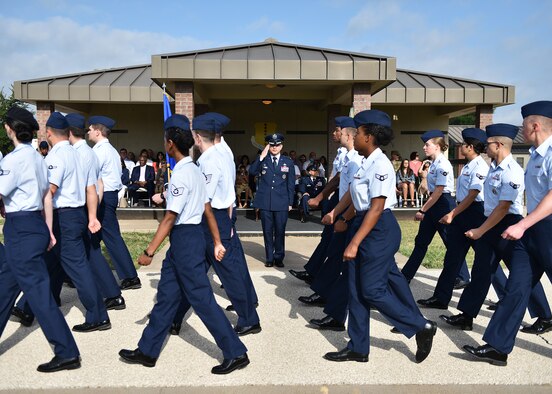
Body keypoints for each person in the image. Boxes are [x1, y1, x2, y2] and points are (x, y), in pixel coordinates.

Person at [118, 114, 249, 374]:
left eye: (165, 141)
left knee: (201, 300)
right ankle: (147, 350)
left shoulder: (181, 174)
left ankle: (235, 352)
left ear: (170, 144)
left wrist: (148, 251)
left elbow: (169, 218)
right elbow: (208, 210)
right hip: (187, 241)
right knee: (166, 297)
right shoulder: (195, 170)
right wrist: (215, 240)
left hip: (185, 241)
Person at [323, 109, 437, 364]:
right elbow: (358, 199)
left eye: (359, 133)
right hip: (363, 224)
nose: (355, 137)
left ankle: (421, 326)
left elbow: (376, 207)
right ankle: (358, 347)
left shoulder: (381, 165)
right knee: (355, 290)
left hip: (379, 229)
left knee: (372, 290)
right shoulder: (365, 162)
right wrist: (343, 219)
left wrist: (353, 242)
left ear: (370, 136)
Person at [440, 123, 551, 344]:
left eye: (488, 143)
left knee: (523, 275)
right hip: (492, 223)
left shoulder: (513, 170)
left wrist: (481, 230)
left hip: (508, 223)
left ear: (498, 145)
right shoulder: (493, 167)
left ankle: (544, 315)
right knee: (482, 270)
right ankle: (467, 315)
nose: (484, 147)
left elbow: (503, 206)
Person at [464, 102, 552, 365]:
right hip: (532, 230)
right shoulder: (536, 154)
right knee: (516, 288)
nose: (520, 129)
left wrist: (523, 224)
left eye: (524, 124)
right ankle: (497, 346)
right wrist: (527, 225)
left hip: (544, 229)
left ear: (535, 125)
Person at [0, 106, 81, 372]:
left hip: (20, 228)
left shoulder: (12, 160)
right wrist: (48, 231)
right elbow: (47, 196)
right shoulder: (37, 158)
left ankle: (67, 352)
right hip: (34, 225)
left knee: (39, 295)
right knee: (5, 288)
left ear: (9, 128)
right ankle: (66, 350)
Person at [42, 112, 110, 332]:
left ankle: (98, 316)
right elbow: (91, 189)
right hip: (78, 214)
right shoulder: (78, 154)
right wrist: (91, 217)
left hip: (65, 216)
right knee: (61, 263)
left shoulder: (55, 156)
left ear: (49, 133)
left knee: (78, 268)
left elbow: (49, 192)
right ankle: (34, 305)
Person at [417, 128, 489, 310]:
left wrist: (453, 213)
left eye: (464, 144)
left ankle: (503, 294)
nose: (461, 146)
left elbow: (473, 195)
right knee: (452, 258)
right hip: (463, 212)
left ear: (470, 147)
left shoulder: (480, 166)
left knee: (486, 258)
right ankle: (441, 298)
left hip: (474, 213)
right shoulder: (468, 165)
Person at [66, 113, 125, 311]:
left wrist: (92, 212)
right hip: (91, 203)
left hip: (81, 206)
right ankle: (113, 293)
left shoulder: (86, 152)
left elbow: (94, 185)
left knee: (92, 249)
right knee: (90, 250)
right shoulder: (93, 151)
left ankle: (110, 296)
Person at [401, 130, 471, 288]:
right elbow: (431, 189)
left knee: (451, 243)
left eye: (427, 145)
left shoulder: (443, 165)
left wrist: (422, 210)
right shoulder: (433, 164)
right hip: (434, 203)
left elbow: (439, 191)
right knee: (421, 242)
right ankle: (405, 276)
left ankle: (463, 276)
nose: (424, 147)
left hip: (443, 204)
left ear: (437, 147)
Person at [88, 115, 141, 290]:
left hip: (103, 196)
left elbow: (95, 179)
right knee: (95, 238)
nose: (88, 131)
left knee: (111, 237)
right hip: (109, 195)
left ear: (97, 131)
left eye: (90, 129)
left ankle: (130, 276)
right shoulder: (110, 150)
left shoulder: (99, 151)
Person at [249, 133, 295, 267]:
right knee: (267, 231)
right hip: (265, 202)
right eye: (272, 145)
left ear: (281, 146)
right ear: (268, 146)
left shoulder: (288, 162)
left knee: (280, 231)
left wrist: (290, 202)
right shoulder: (263, 160)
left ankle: (279, 257)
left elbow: (290, 184)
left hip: (282, 202)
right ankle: (269, 258)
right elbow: (252, 172)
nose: (274, 148)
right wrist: (261, 156)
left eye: (277, 145)